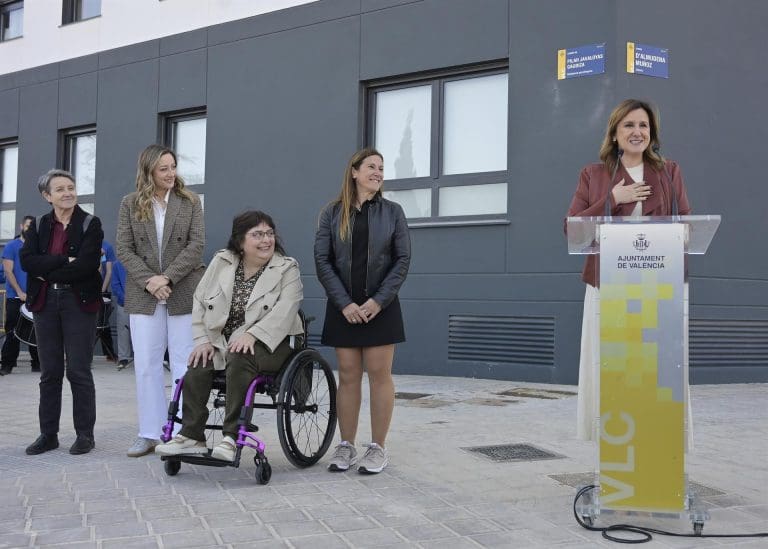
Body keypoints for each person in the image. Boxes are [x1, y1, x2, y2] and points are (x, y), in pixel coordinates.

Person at [566, 98, 691, 441]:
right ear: (615, 133)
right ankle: (617, 445)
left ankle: (655, 447)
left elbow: (687, 224)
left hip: (658, 288)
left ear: (652, 134)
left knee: (655, 373)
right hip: (609, 286)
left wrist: (680, 231)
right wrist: (612, 200)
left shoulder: (670, 172)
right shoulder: (593, 175)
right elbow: (572, 228)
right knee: (614, 371)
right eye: (629, 125)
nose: (637, 132)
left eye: (643, 126)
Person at [155, 210, 304, 460]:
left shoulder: (286, 268)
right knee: (199, 360)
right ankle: (192, 436)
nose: (266, 240)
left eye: (269, 233)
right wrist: (203, 340)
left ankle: (231, 437)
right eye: (257, 234)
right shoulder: (222, 262)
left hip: (274, 343)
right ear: (240, 241)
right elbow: (200, 301)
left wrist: (253, 334)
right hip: (223, 341)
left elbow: (286, 310)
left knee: (240, 355)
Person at [314, 147, 411, 474]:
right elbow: (323, 261)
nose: (378, 172)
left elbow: (402, 260)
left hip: (380, 305)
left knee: (380, 375)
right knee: (349, 375)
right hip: (344, 307)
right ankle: (345, 445)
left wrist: (377, 301)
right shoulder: (331, 213)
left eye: (381, 168)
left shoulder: (393, 212)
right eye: (371, 166)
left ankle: (378, 448)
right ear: (354, 172)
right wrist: (345, 303)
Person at [117, 144, 205, 458]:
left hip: (180, 289)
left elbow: (196, 246)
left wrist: (166, 278)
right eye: (163, 169)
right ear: (149, 171)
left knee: (184, 362)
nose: (170, 174)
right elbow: (124, 249)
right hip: (145, 294)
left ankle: (185, 432)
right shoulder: (130, 204)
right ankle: (149, 433)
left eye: (172, 167)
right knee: (146, 365)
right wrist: (150, 281)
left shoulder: (190, 201)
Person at [20, 169, 104, 455]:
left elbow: (87, 264)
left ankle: (85, 435)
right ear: (47, 196)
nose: (68, 192)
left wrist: (49, 270)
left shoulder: (90, 223)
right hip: (45, 302)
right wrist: (60, 260)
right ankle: (48, 434)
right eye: (60, 189)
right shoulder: (40, 224)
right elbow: (28, 261)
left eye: (71, 187)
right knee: (50, 372)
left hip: (77, 301)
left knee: (79, 370)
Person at [1, 216, 41, 375]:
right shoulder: (11, 246)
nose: (30, 229)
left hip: (35, 298)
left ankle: (37, 364)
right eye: (28, 226)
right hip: (15, 297)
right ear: (21, 226)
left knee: (37, 332)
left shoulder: (36, 247)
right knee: (12, 332)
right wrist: (19, 291)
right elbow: (8, 271)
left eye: (33, 227)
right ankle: (7, 364)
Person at [96, 240, 118, 362]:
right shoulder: (83, 243)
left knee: (103, 322)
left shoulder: (107, 247)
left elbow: (108, 271)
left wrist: (102, 290)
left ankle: (109, 352)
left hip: (102, 289)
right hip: (87, 289)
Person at [110, 259, 134, 370]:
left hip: (140, 304)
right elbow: (115, 285)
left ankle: (141, 357)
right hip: (123, 303)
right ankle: (123, 358)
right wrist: (125, 299)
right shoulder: (117, 265)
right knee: (123, 330)